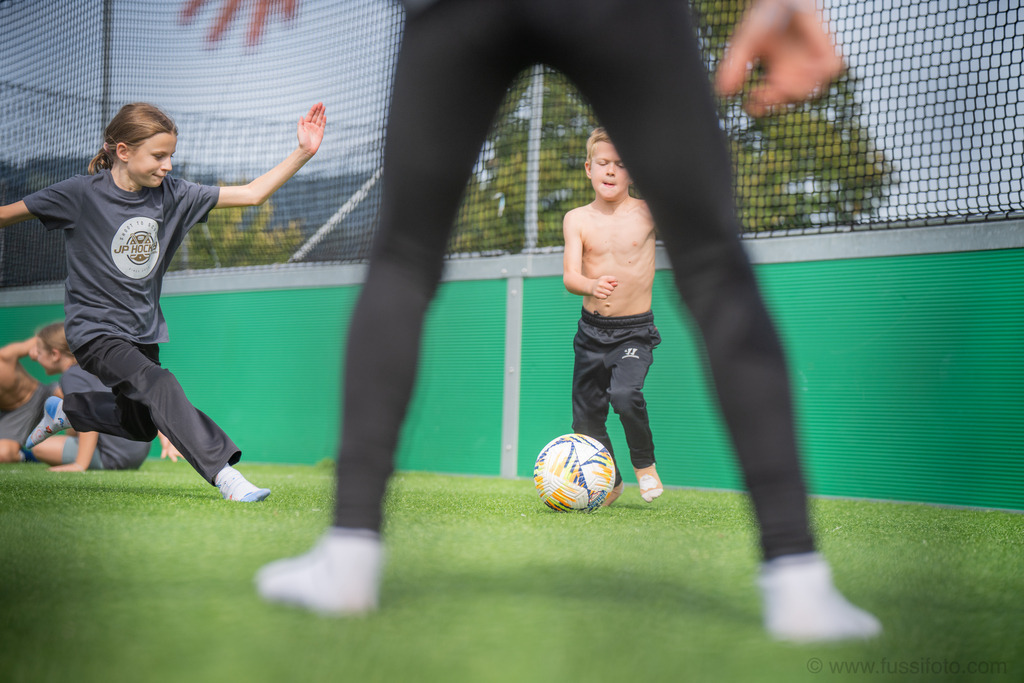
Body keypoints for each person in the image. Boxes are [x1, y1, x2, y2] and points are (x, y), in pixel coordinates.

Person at [257, 0, 878, 643]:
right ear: (589, 170)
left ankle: (349, 558)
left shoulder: (634, 212)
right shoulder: (578, 220)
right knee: (715, 265)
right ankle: (797, 581)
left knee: (405, 257)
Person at [0, 101, 327, 502]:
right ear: (123, 151)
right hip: (94, 331)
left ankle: (72, 411)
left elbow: (253, 194)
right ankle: (227, 477)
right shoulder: (79, 195)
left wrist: (304, 152)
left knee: (139, 424)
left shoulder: (175, 195)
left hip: (142, 331)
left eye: (171, 155)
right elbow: (6, 215)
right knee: (160, 383)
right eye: (158, 156)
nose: (168, 165)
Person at [563, 128, 662, 506]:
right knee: (585, 421)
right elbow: (571, 276)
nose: (611, 171)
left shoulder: (647, 211)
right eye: (604, 163)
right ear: (589, 168)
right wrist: (590, 285)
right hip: (591, 333)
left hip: (633, 332)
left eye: (621, 165)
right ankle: (614, 482)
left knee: (624, 394)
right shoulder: (577, 219)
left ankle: (645, 466)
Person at [18, 322, 152, 472]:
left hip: (113, 457)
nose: (35, 356)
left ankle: (25, 456)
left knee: (40, 448)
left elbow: (88, 419)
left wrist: (80, 464)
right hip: (135, 455)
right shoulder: (93, 369)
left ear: (55, 354)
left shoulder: (72, 376)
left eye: (40, 352)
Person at [0, 336, 54, 464]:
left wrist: (39, 348)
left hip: (41, 395)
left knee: (71, 397)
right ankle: (28, 457)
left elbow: (40, 338)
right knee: (3, 454)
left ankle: (96, 446)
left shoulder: (5, 356)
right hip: (12, 414)